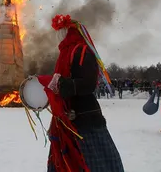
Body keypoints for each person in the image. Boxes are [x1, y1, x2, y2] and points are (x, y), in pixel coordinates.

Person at [44, 14, 124, 172]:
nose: (57, 37)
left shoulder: (82, 51)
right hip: (66, 117)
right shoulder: (65, 53)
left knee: (94, 162)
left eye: (60, 32)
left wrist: (63, 84)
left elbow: (88, 83)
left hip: (85, 117)